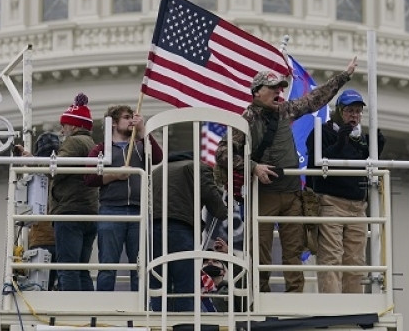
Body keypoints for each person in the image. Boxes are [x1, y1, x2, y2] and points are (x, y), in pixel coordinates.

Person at [215, 56, 356, 293]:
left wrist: (345, 76)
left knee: (294, 249)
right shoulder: (245, 120)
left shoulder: (284, 111)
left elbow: (314, 99)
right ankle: (259, 298)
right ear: (257, 92)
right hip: (264, 195)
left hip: (292, 195)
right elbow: (222, 153)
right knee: (260, 250)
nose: (279, 91)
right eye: (272, 88)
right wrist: (253, 167)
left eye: (280, 87)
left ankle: (294, 296)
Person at [304, 89, 384, 293]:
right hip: (331, 203)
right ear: (339, 111)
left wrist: (376, 145)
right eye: (349, 111)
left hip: (358, 206)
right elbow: (313, 168)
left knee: (356, 260)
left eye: (358, 111)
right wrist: (339, 143)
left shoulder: (361, 140)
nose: (354, 116)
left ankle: (353, 308)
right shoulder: (323, 132)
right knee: (331, 257)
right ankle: (333, 307)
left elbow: (364, 165)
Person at [83, 105, 163, 292]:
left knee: (140, 265)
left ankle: (141, 308)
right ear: (113, 123)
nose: (131, 121)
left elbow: (157, 157)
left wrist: (143, 130)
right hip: (111, 209)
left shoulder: (140, 147)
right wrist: (114, 175)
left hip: (139, 210)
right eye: (127, 117)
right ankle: (104, 309)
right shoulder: (100, 150)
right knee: (108, 265)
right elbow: (88, 178)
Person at [150, 152, 227, 312]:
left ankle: (157, 323)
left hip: (152, 230)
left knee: (158, 283)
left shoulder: (157, 171)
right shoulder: (197, 167)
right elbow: (214, 201)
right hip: (181, 228)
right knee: (185, 284)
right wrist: (223, 208)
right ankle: (185, 323)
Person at [49, 93, 98, 291]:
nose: (62, 130)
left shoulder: (73, 143)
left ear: (74, 126)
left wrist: (36, 161)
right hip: (90, 212)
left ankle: (68, 309)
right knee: (81, 268)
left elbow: (56, 170)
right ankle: (88, 309)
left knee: (67, 267)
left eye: (65, 125)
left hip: (69, 211)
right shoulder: (91, 145)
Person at [25, 131, 61, 291]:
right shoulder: (64, 173)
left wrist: (31, 161)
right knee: (65, 286)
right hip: (61, 239)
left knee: (39, 288)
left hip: (41, 241)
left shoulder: (34, 178)